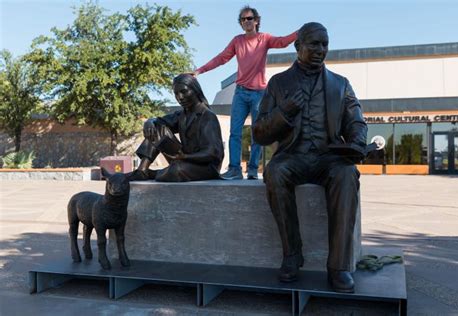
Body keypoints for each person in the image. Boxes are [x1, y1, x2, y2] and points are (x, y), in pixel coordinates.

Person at [253, 22, 368, 293]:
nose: (320, 50)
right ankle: (292, 255)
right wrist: (285, 112)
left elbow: (356, 121)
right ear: (298, 46)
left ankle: (338, 266)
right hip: (293, 156)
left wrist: (357, 141)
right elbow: (259, 133)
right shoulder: (279, 83)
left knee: (347, 173)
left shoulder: (340, 84)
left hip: (329, 157)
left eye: (325, 44)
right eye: (314, 44)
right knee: (275, 172)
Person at [193, 6, 297, 180]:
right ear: (241, 24)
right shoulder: (237, 41)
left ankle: (253, 170)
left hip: (259, 94)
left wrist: (299, 33)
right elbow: (221, 58)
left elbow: (282, 42)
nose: (246, 22)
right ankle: (234, 169)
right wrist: (199, 71)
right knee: (235, 132)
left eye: (249, 18)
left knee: (257, 133)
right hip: (240, 93)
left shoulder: (264, 39)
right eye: (243, 19)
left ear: (256, 20)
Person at [130, 74, 224, 182]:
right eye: (176, 94)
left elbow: (212, 153)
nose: (180, 97)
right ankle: (142, 170)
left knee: (176, 171)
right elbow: (159, 122)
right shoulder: (181, 115)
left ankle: (152, 173)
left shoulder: (207, 116)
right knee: (156, 127)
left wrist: (184, 157)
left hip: (205, 166)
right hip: (184, 160)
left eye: (184, 92)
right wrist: (149, 122)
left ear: (195, 90)